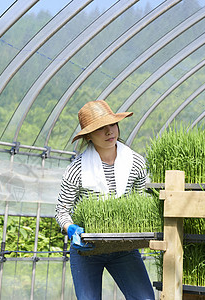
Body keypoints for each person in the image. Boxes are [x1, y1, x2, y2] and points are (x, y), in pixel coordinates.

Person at [55, 100, 155, 300]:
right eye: (101, 128)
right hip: (87, 250)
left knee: (145, 298)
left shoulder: (136, 163)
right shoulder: (77, 169)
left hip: (124, 248)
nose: (109, 131)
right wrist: (72, 229)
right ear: (89, 136)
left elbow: (143, 201)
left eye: (112, 125)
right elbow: (61, 210)